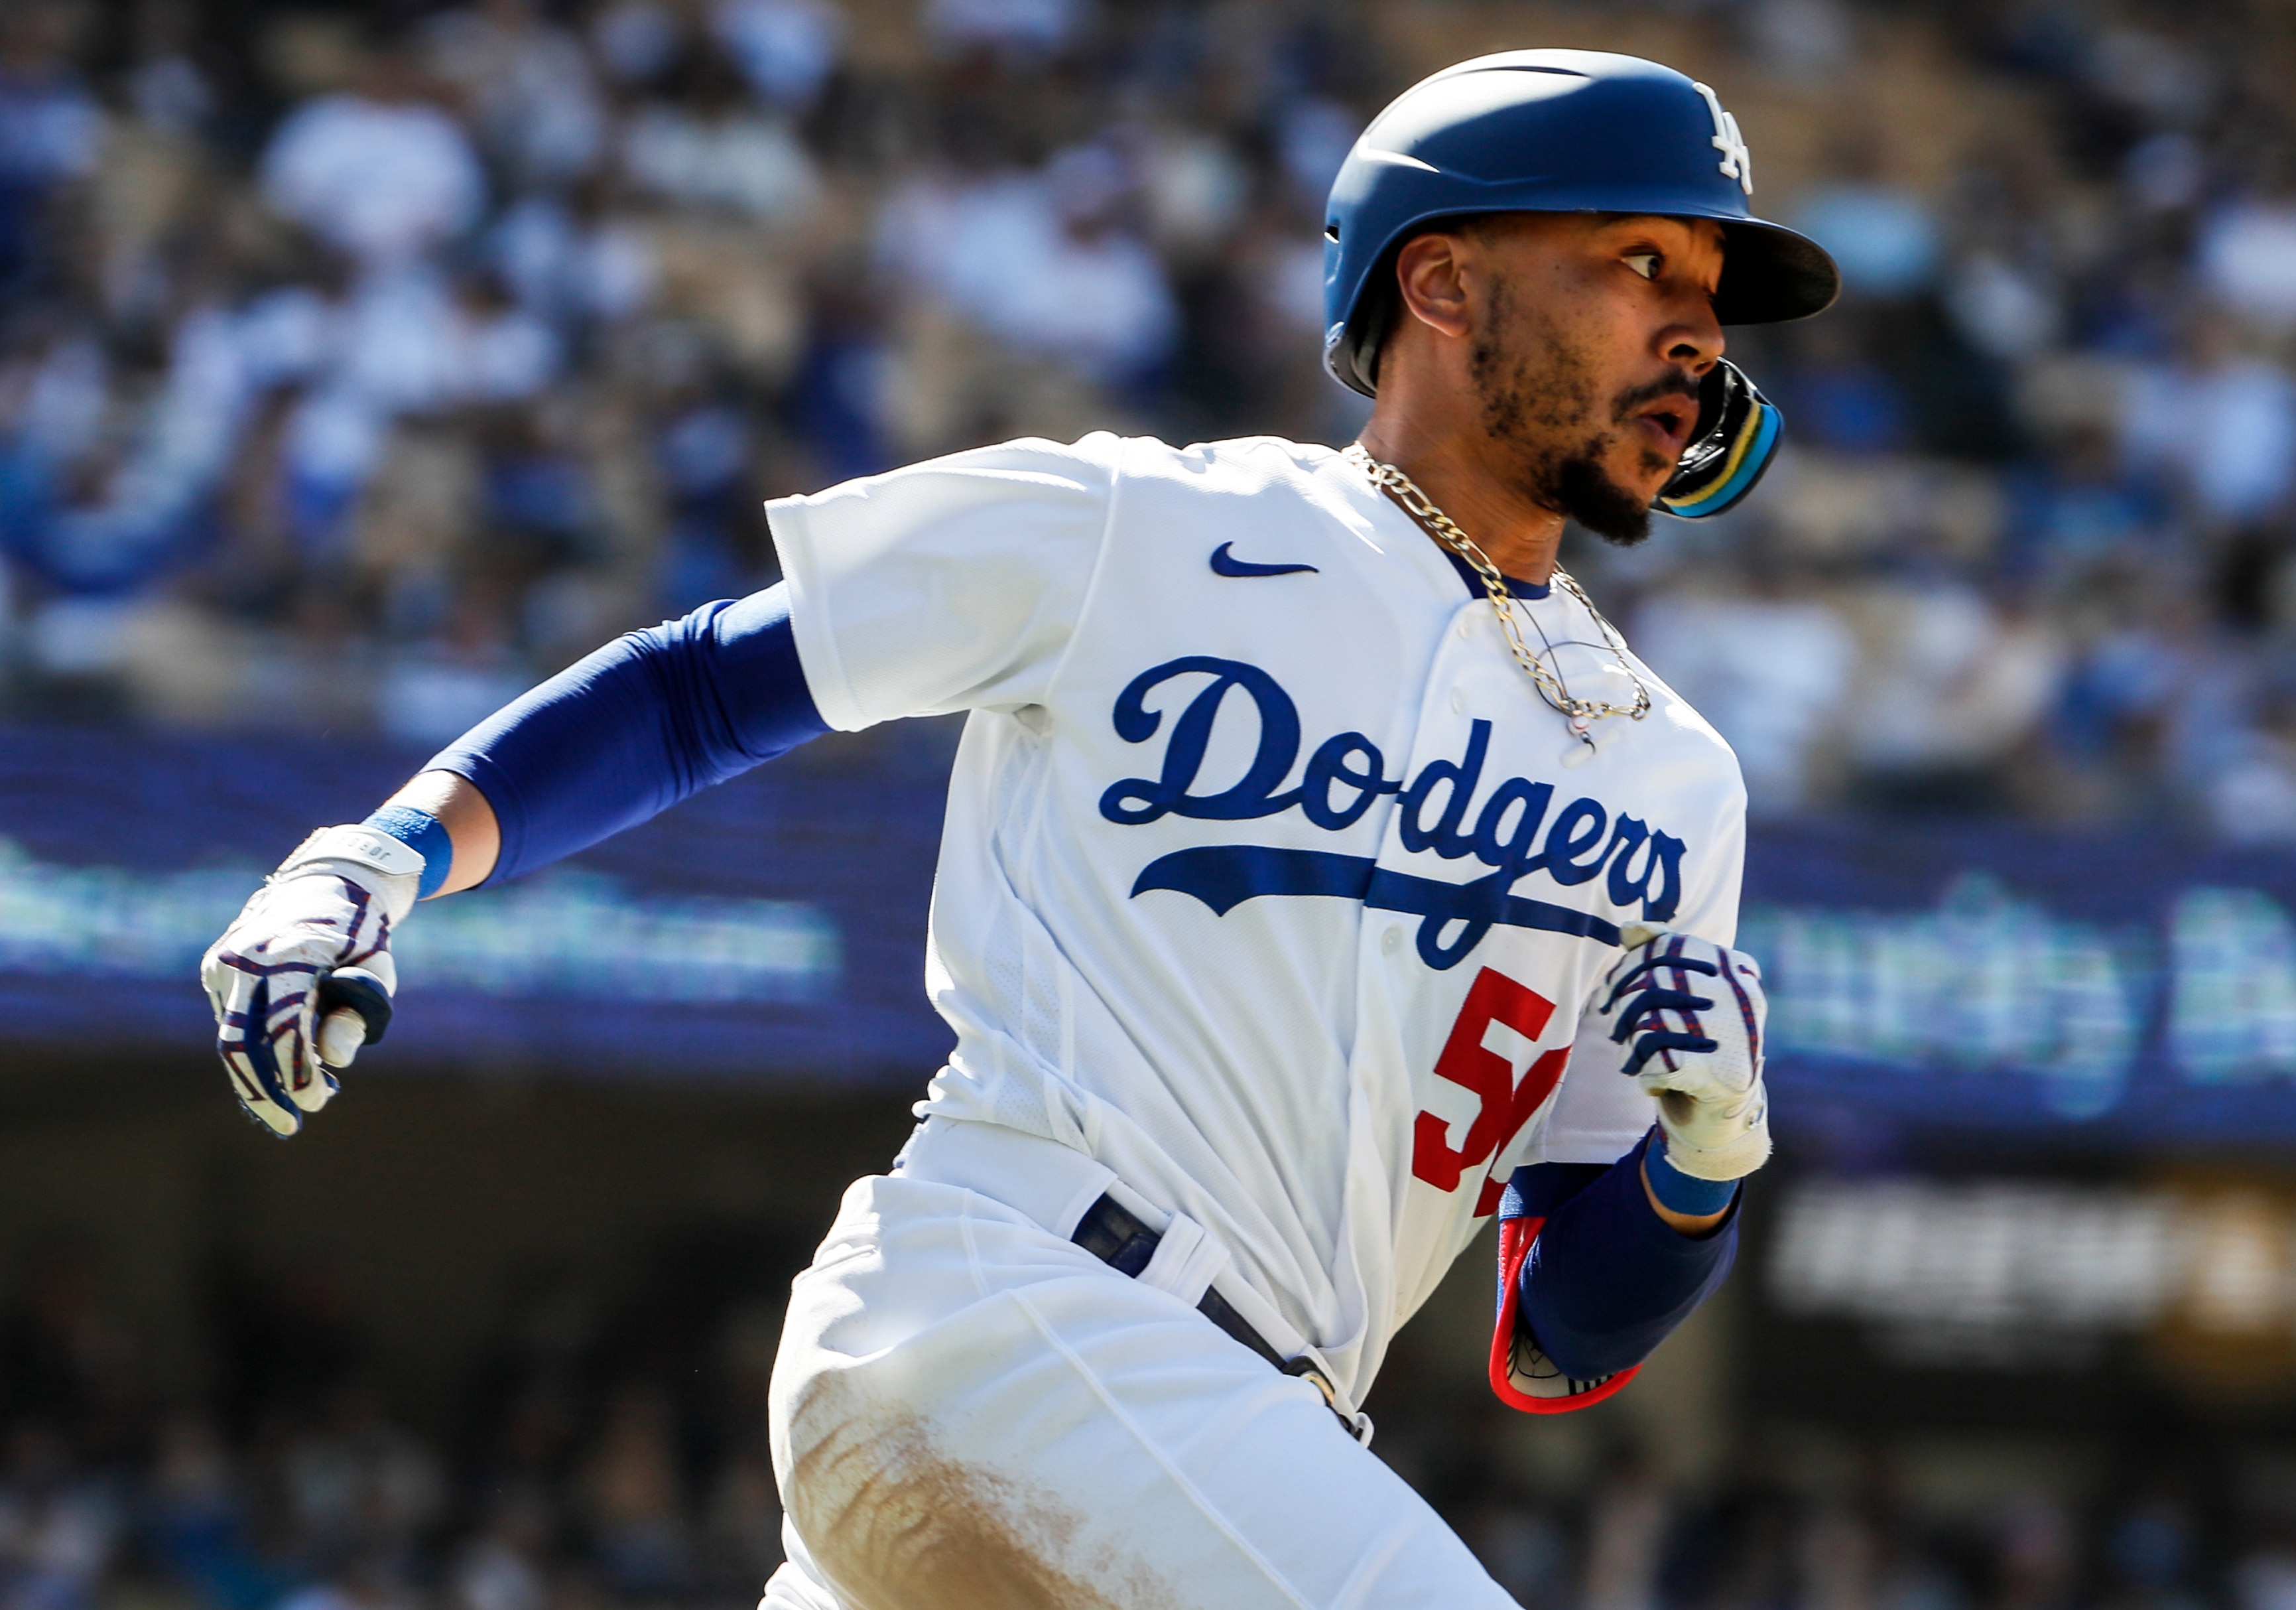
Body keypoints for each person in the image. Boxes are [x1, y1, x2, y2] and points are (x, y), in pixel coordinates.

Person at [202, 50, 1837, 1608]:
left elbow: (1554, 1337)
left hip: (1212, 1443)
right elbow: (703, 686)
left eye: (1711, 294)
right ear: (1441, 283)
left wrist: (1702, 1159)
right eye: (1642, 262)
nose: (1698, 334)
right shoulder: (1146, 526)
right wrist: (383, 853)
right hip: (1023, 1304)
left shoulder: (1670, 776)